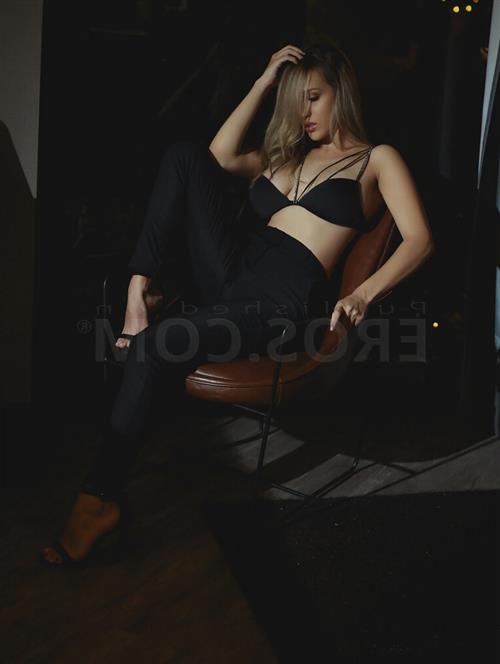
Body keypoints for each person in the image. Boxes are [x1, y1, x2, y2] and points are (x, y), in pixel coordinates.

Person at [39, 42, 435, 568]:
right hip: (235, 272)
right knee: (184, 157)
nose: (303, 113)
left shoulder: (376, 159)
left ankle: (97, 502)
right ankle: (139, 291)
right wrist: (264, 81)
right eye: (295, 101)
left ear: (342, 91)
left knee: (154, 346)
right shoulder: (288, 156)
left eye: (313, 97)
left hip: (281, 299)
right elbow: (220, 155)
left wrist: (363, 293)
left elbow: (420, 240)